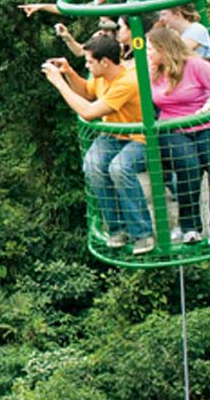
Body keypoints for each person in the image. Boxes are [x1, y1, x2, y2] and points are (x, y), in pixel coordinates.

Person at [45, 33, 155, 254]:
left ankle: (142, 233)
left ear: (105, 61)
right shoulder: (102, 76)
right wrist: (69, 73)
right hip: (115, 135)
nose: (87, 64)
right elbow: (86, 91)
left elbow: (88, 112)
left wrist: (58, 83)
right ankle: (117, 228)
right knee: (93, 165)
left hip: (140, 137)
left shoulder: (126, 82)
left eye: (89, 61)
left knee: (119, 168)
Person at [144, 26, 210, 246]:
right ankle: (189, 225)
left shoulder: (195, 66)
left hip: (204, 124)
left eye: (150, 49)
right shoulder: (150, 72)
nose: (147, 53)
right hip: (173, 127)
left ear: (164, 49)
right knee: (188, 165)